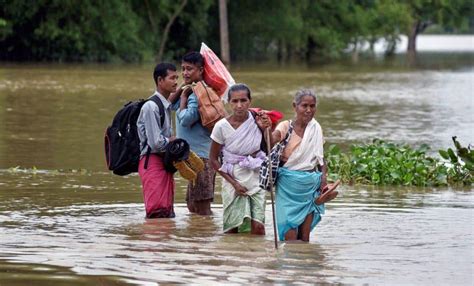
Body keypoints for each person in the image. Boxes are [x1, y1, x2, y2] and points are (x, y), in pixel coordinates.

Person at [269, 89, 340, 242]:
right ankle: (290, 264)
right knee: (290, 232)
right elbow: (269, 141)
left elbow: (321, 158)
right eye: (304, 106)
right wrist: (265, 128)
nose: (308, 110)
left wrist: (323, 179)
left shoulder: (316, 129)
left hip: (309, 187)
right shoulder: (285, 127)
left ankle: (304, 262)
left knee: (305, 237)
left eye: (312, 106)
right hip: (288, 187)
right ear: (295, 106)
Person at [209, 84, 271, 235]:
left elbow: (270, 148)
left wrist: (266, 129)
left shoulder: (259, 121)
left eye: (243, 101)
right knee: (232, 227)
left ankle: (256, 256)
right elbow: (213, 159)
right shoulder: (221, 127)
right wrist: (235, 184)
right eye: (235, 101)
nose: (239, 105)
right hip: (232, 177)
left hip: (256, 176)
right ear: (229, 102)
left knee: (258, 227)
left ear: (250, 101)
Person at [169, 52, 216, 216]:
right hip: (194, 157)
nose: (185, 73)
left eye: (189, 69)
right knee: (192, 204)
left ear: (201, 70)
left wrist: (183, 97)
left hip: (202, 157)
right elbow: (169, 105)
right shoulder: (191, 90)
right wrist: (183, 88)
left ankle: (205, 238)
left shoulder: (198, 94)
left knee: (202, 207)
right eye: (183, 69)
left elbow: (186, 119)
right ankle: (197, 238)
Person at [137, 63, 178, 218]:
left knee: (166, 212)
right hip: (151, 161)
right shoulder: (151, 106)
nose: (175, 82)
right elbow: (155, 143)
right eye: (172, 78)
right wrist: (172, 140)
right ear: (160, 80)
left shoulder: (165, 105)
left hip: (163, 162)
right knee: (156, 212)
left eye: (176, 78)